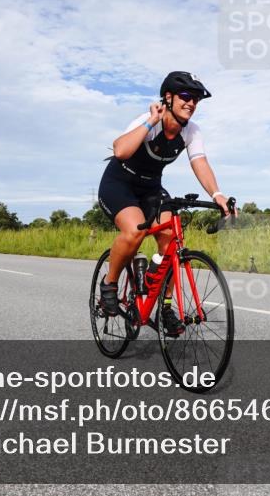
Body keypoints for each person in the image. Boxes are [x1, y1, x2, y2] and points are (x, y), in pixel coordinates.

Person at [97, 71, 235, 336]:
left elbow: (200, 162)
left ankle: (164, 306)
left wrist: (218, 194)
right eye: (186, 96)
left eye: (196, 99)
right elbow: (120, 151)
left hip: (150, 187)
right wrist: (150, 121)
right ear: (168, 98)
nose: (192, 103)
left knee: (171, 236)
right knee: (135, 230)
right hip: (119, 184)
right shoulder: (150, 121)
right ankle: (110, 284)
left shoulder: (191, 131)